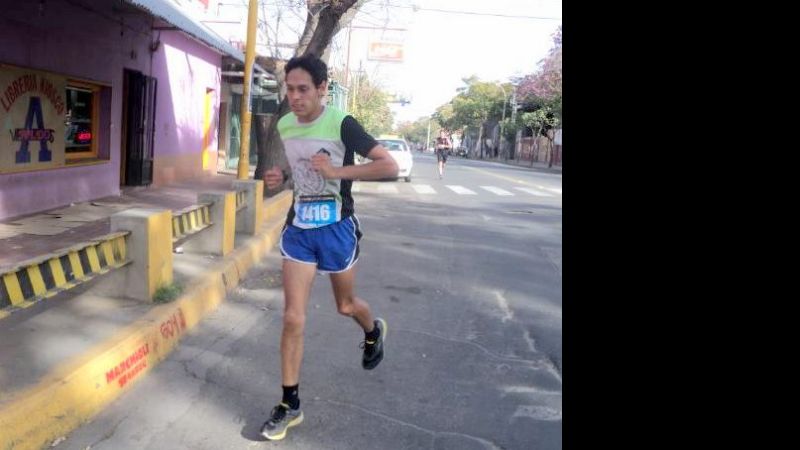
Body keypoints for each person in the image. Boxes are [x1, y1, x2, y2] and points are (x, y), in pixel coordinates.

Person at [260, 55, 398, 441]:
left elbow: (387, 166)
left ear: (322, 88)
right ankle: (290, 404)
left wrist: (337, 172)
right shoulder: (285, 124)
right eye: (290, 89)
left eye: (303, 89)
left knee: (345, 306)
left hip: (337, 228)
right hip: (300, 228)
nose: (296, 97)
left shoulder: (342, 123)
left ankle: (372, 330)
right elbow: (297, 166)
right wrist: (281, 175)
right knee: (292, 317)